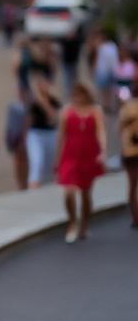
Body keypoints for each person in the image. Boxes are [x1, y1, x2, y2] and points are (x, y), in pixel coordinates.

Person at [55, 81, 106, 242]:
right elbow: (61, 135)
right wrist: (57, 158)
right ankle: (72, 223)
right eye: (75, 94)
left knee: (85, 192)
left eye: (81, 94)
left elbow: (101, 132)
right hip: (70, 154)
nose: (78, 98)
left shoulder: (95, 110)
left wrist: (103, 152)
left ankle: (84, 224)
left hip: (88, 153)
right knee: (69, 191)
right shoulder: (67, 111)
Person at [25, 73, 60, 188]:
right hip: (36, 134)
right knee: (37, 163)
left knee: (51, 167)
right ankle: (33, 193)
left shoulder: (53, 100)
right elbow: (28, 121)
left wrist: (44, 102)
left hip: (51, 134)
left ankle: (48, 192)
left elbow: (54, 118)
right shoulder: (32, 101)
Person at [119, 76, 138, 227]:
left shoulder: (126, 107)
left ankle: (135, 217)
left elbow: (120, 129)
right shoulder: (127, 107)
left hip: (129, 151)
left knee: (132, 185)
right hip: (131, 151)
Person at [92, 29, 120, 113]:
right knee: (107, 90)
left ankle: (105, 105)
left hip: (103, 71)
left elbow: (96, 59)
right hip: (108, 70)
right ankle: (107, 105)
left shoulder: (102, 46)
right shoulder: (112, 46)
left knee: (104, 90)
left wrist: (94, 68)